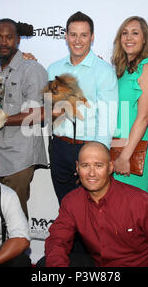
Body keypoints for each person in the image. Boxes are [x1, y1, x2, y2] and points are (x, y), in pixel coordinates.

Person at [44, 142, 148, 267]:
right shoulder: (72, 201)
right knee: (45, 262)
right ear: (77, 168)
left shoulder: (139, 202)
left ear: (110, 167)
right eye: (85, 165)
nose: (91, 173)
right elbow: (57, 241)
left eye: (98, 165)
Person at [0, 19, 48, 218]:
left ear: (18, 39)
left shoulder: (31, 69)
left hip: (20, 157)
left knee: (14, 217)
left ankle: (19, 250)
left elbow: (37, 114)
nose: (4, 42)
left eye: (9, 37)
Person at [47, 11, 118, 204]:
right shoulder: (53, 68)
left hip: (90, 148)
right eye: (73, 34)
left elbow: (107, 120)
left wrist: (96, 160)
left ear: (92, 37)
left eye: (84, 35)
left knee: (91, 211)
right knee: (66, 208)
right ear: (66, 36)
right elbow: (49, 110)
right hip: (59, 147)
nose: (78, 40)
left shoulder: (104, 71)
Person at [111, 16, 148, 195]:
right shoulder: (121, 69)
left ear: (144, 38)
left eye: (135, 33)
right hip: (116, 145)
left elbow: (144, 116)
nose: (129, 38)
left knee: (135, 210)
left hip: (135, 150)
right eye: (124, 33)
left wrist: (125, 156)